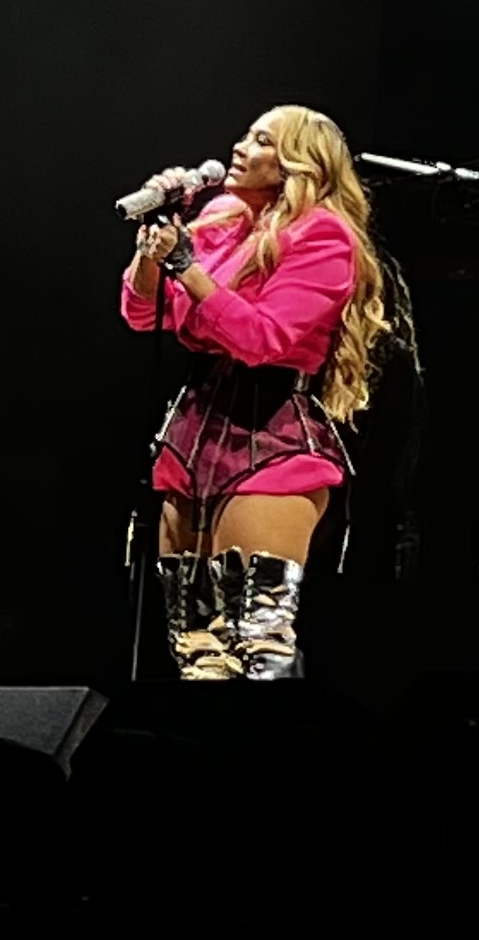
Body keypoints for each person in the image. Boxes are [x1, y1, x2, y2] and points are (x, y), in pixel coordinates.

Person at [120, 104, 389, 681]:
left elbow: (263, 340)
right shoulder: (220, 221)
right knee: (197, 649)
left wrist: (187, 267)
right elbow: (144, 314)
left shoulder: (323, 236)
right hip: (194, 434)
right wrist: (154, 249)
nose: (241, 147)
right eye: (245, 135)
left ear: (299, 164)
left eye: (262, 140)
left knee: (258, 644)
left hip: (269, 433)